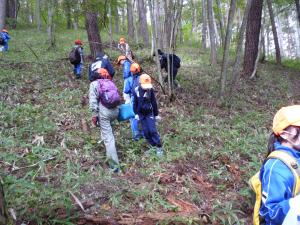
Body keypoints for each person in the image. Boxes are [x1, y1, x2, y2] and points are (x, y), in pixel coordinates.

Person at [259, 105, 300, 224]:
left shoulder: (297, 157)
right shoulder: (276, 167)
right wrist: (295, 204)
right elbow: (270, 213)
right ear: (284, 133)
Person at [89, 68, 120, 172]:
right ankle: (109, 154)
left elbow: (93, 102)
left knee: (109, 138)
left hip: (105, 113)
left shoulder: (94, 84)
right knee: (108, 133)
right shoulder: (110, 82)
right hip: (115, 112)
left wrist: (94, 116)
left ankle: (115, 167)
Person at [133, 74, 163, 157]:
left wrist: (156, 114)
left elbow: (153, 102)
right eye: (144, 86)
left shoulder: (150, 90)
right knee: (146, 132)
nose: (146, 87)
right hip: (141, 114)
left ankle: (159, 147)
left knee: (152, 130)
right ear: (140, 83)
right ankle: (152, 146)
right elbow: (135, 102)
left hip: (149, 113)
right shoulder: (136, 90)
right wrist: (136, 113)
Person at [124, 63, 143, 140]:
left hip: (133, 99)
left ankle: (136, 135)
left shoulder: (129, 79)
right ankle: (144, 134)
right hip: (143, 99)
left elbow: (126, 90)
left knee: (133, 117)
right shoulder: (143, 78)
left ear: (131, 71)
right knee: (143, 116)